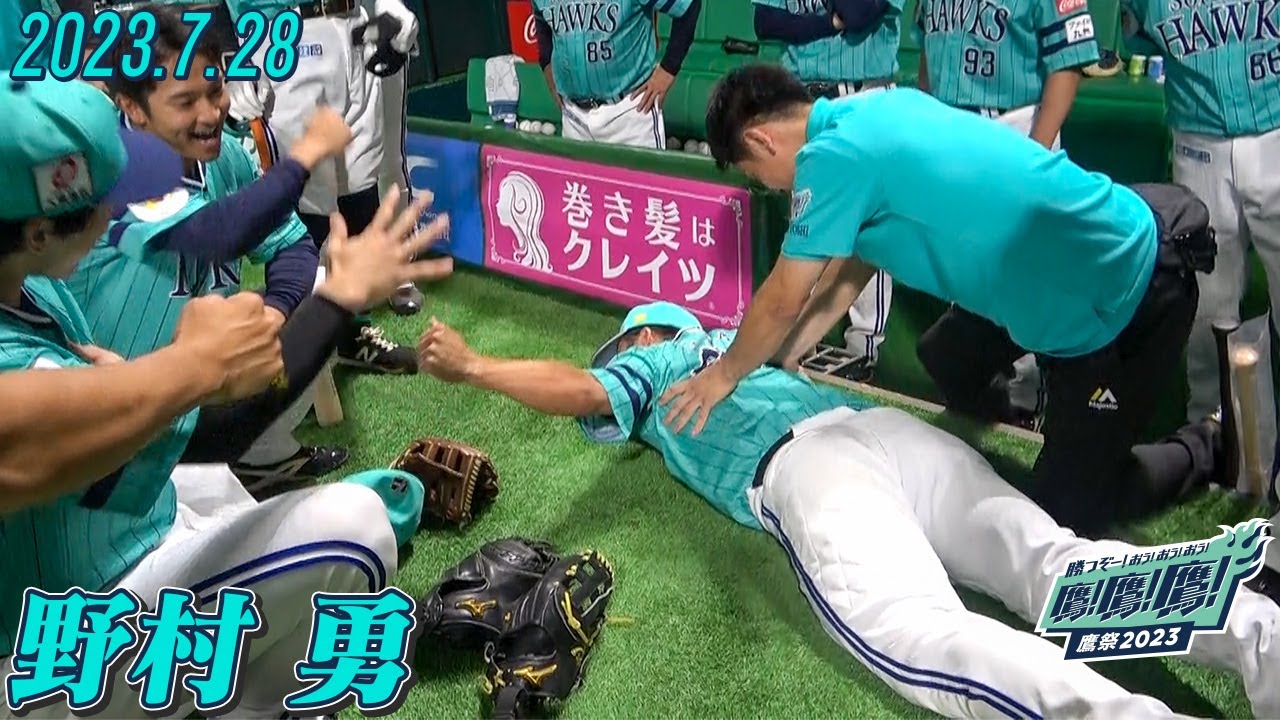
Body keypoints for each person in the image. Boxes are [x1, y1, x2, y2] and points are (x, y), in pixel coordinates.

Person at [418, 299, 1280, 720]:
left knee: (921, 633)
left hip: (814, 470)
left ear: (646, 334)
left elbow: (582, 391)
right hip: (891, 434)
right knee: (1054, 566)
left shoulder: (666, 358)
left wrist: (474, 366)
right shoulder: (742, 347)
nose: (615, 363)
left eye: (619, 346)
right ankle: (1263, 639)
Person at [0, 75, 450, 719]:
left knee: (214, 485)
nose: (117, 206)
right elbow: (220, 425)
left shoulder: (32, 284)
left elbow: (199, 434)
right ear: (40, 232)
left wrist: (193, 371)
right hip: (50, 648)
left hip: (114, 535)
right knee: (354, 529)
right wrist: (330, 302)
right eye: (106, 198)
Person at [668, 63, 1225, 537]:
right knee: (948, 356)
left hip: (1122, 288)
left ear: (761, 141)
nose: (772, 188)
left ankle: (1208, 445)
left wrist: (724, 374)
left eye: (757, 176)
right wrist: (789, 352)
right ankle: (1026, 438)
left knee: (1066, 517)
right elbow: (851, 267)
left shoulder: (832, 155)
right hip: (1040, 274)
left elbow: (781, 299)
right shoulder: (870, 111)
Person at [65, 6, 353, 488]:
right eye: (185, 102)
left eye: (215, 90)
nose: (211, 113)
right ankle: (205, 469)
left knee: (321, 287)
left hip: (207, 381)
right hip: (122, 410)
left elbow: (294, 245)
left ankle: (262, 457)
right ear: (134, 108)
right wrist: (306, 153)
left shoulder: (225, 156)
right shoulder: (110, 167)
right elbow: (217, 233)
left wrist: (275, 314)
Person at [913, 0, 1101, 428]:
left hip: (1016, 126)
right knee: (964, 279)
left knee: (1026, 280)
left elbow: (1067, 64)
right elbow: (928, 50)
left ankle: (1029, 405)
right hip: (950, 129)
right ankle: (974, 396)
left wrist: (1034, 156)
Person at [1118, 0, 1280, 427]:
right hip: (1198, 137)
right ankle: (1213, 430)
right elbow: (1140, 34)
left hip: (1276, 125)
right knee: (1209, 302)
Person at [752, 0, 903, 380]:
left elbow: (859, 13)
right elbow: (766, 22)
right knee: (806, 228)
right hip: (799, 100)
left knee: (868, 229)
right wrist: (829, 23)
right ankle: (800, 343)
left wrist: (822, 22)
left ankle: (863, 350)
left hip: (863, 96)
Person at [532, 0, 702, 149]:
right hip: (574, 116)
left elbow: (688, 6)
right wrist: (546, 63)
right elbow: (541, 16)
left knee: (640, 177)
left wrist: (668, 70)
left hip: (630, 111)